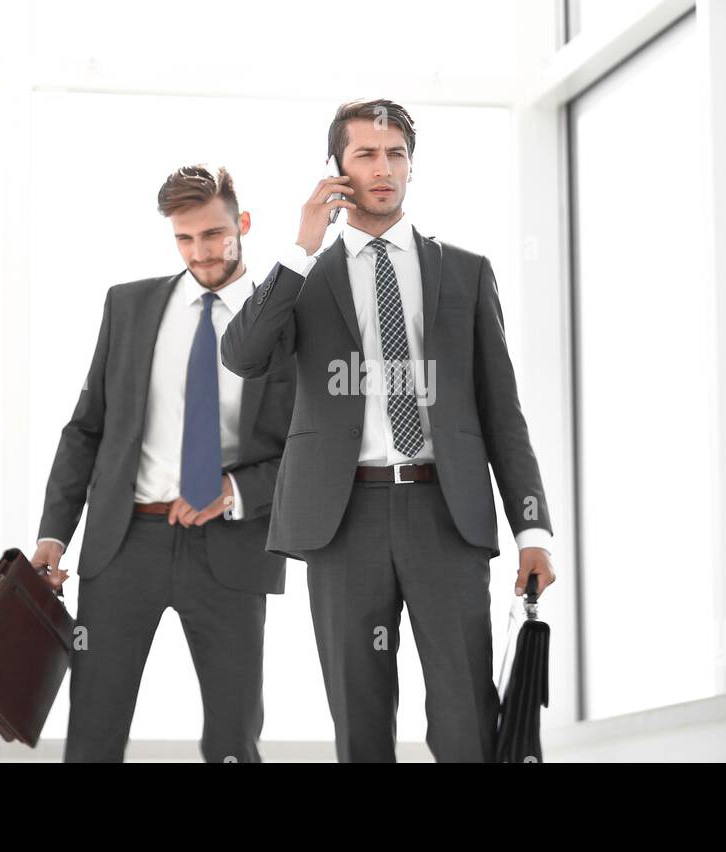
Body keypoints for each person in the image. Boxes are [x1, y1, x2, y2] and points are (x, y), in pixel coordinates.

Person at [221, 99, 556, 762]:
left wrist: (533, 530)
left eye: (396, 154)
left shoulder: (464, 272)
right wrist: (299, 245)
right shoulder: (304, 279)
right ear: (337, 170)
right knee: (361, 723)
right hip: (343, 522)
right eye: (367, 155)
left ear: (411, 166)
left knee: (466, 723)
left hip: (445, 515)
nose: (384, 168)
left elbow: (502, 412)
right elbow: (243, 353)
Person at [34, 165, 295, 762]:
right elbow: (87, 429)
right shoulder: (129, 306)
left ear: (243, 226)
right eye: (184, 238)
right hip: (123, 545)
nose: (199, 251)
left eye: (212, 235)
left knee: (233, 734)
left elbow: (308, 451)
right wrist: (54, 533)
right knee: (95, 730)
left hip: (230, 550)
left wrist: (233, 490)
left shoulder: (282, 323)